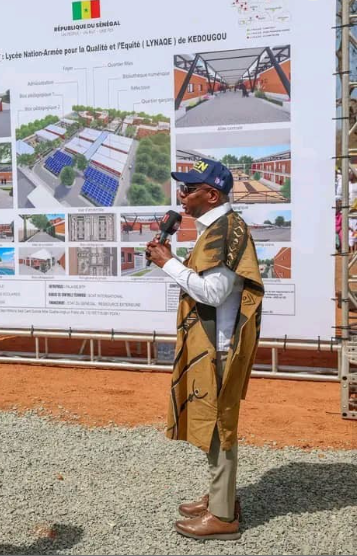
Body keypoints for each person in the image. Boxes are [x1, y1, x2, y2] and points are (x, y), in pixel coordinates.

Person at [145, 158, 263, 541]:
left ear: (211, 194)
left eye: (188, 188)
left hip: (219, 347)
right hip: (213, 344)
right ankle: (219, 496)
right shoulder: (219, 226)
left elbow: (213, 293)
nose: (181, 194)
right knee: (213, 424)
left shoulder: (224, 230)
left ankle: (223, 517)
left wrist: (168, 263)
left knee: (219, 427)